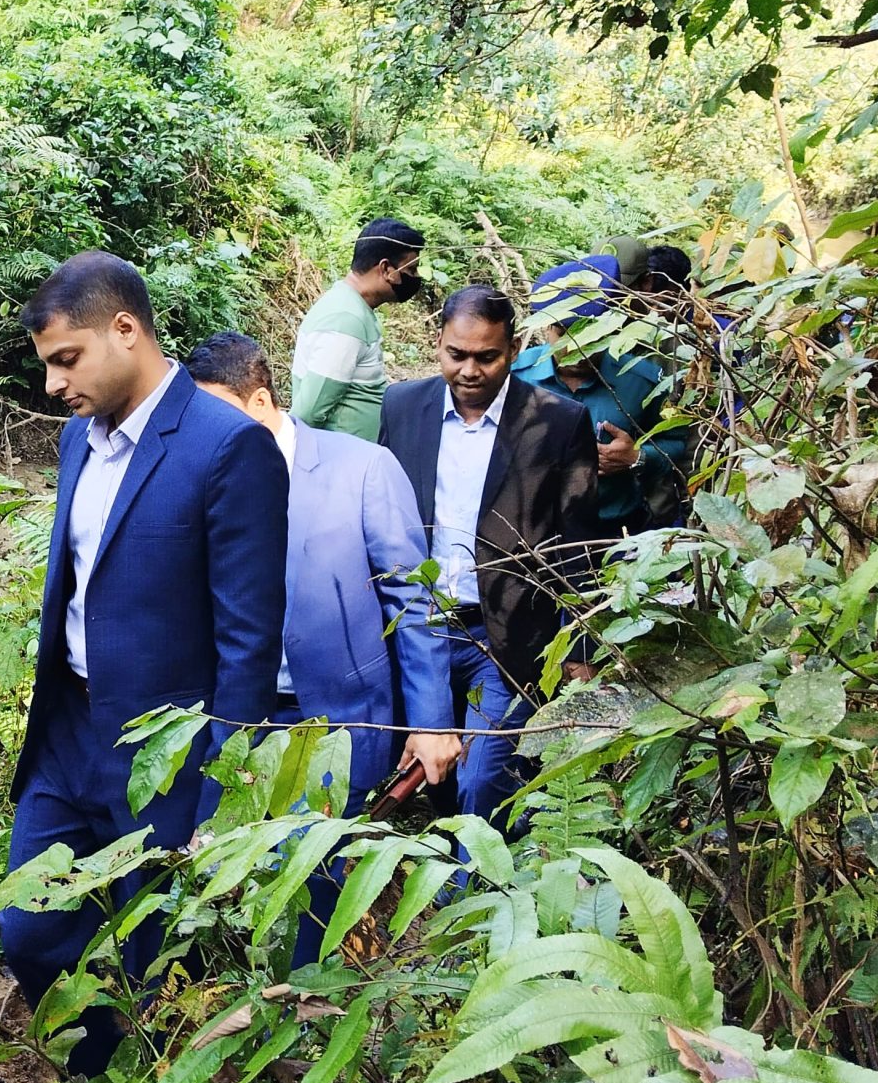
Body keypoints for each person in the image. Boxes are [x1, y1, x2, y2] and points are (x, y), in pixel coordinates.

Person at [3, 253, 287, 1075]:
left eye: (67, 360)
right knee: (31, 924)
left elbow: (248, 639)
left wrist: (220, 789)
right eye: (48, 366)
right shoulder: (74, 442)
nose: (55, 385)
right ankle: (96, 1076)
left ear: (126, 330)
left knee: (158, 954)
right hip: (68, 733)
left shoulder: (227, 446)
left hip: (166, 750)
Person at [183, 331, 446, 801]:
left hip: (338, 720)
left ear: (260, 401)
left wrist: (431, 722)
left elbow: (412, 603)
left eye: (214, 415)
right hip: (236, 720)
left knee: (320, 866)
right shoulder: (199, 480)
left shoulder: (363, 468)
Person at [376, 287, 601, 829]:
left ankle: (466, 895)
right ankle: (491, 853)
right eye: (457, 355)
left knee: (482, 775)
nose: (470, 370)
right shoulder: (403, 406)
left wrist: (582, 643)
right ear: (438, 343)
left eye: (487, 356)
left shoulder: (559, 422)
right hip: (422, 629)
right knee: (443, 775)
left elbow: (580, 542)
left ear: (515, 347)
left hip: (508, 634)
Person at [513, 255, 688, 534]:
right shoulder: (515, 377)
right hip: (532, 529)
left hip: (613, 531)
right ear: (547, 328)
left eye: (592, 332)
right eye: (566, 332)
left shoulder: (642, 379)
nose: (580, 345)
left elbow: (678, 443)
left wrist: (637, 457)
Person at [289, 217, 427, 442]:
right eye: (411, 269)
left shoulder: (351, 306)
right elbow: (308, 412)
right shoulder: (346, 319)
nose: (416, 277)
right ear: (385, 268)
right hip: (341, 464)